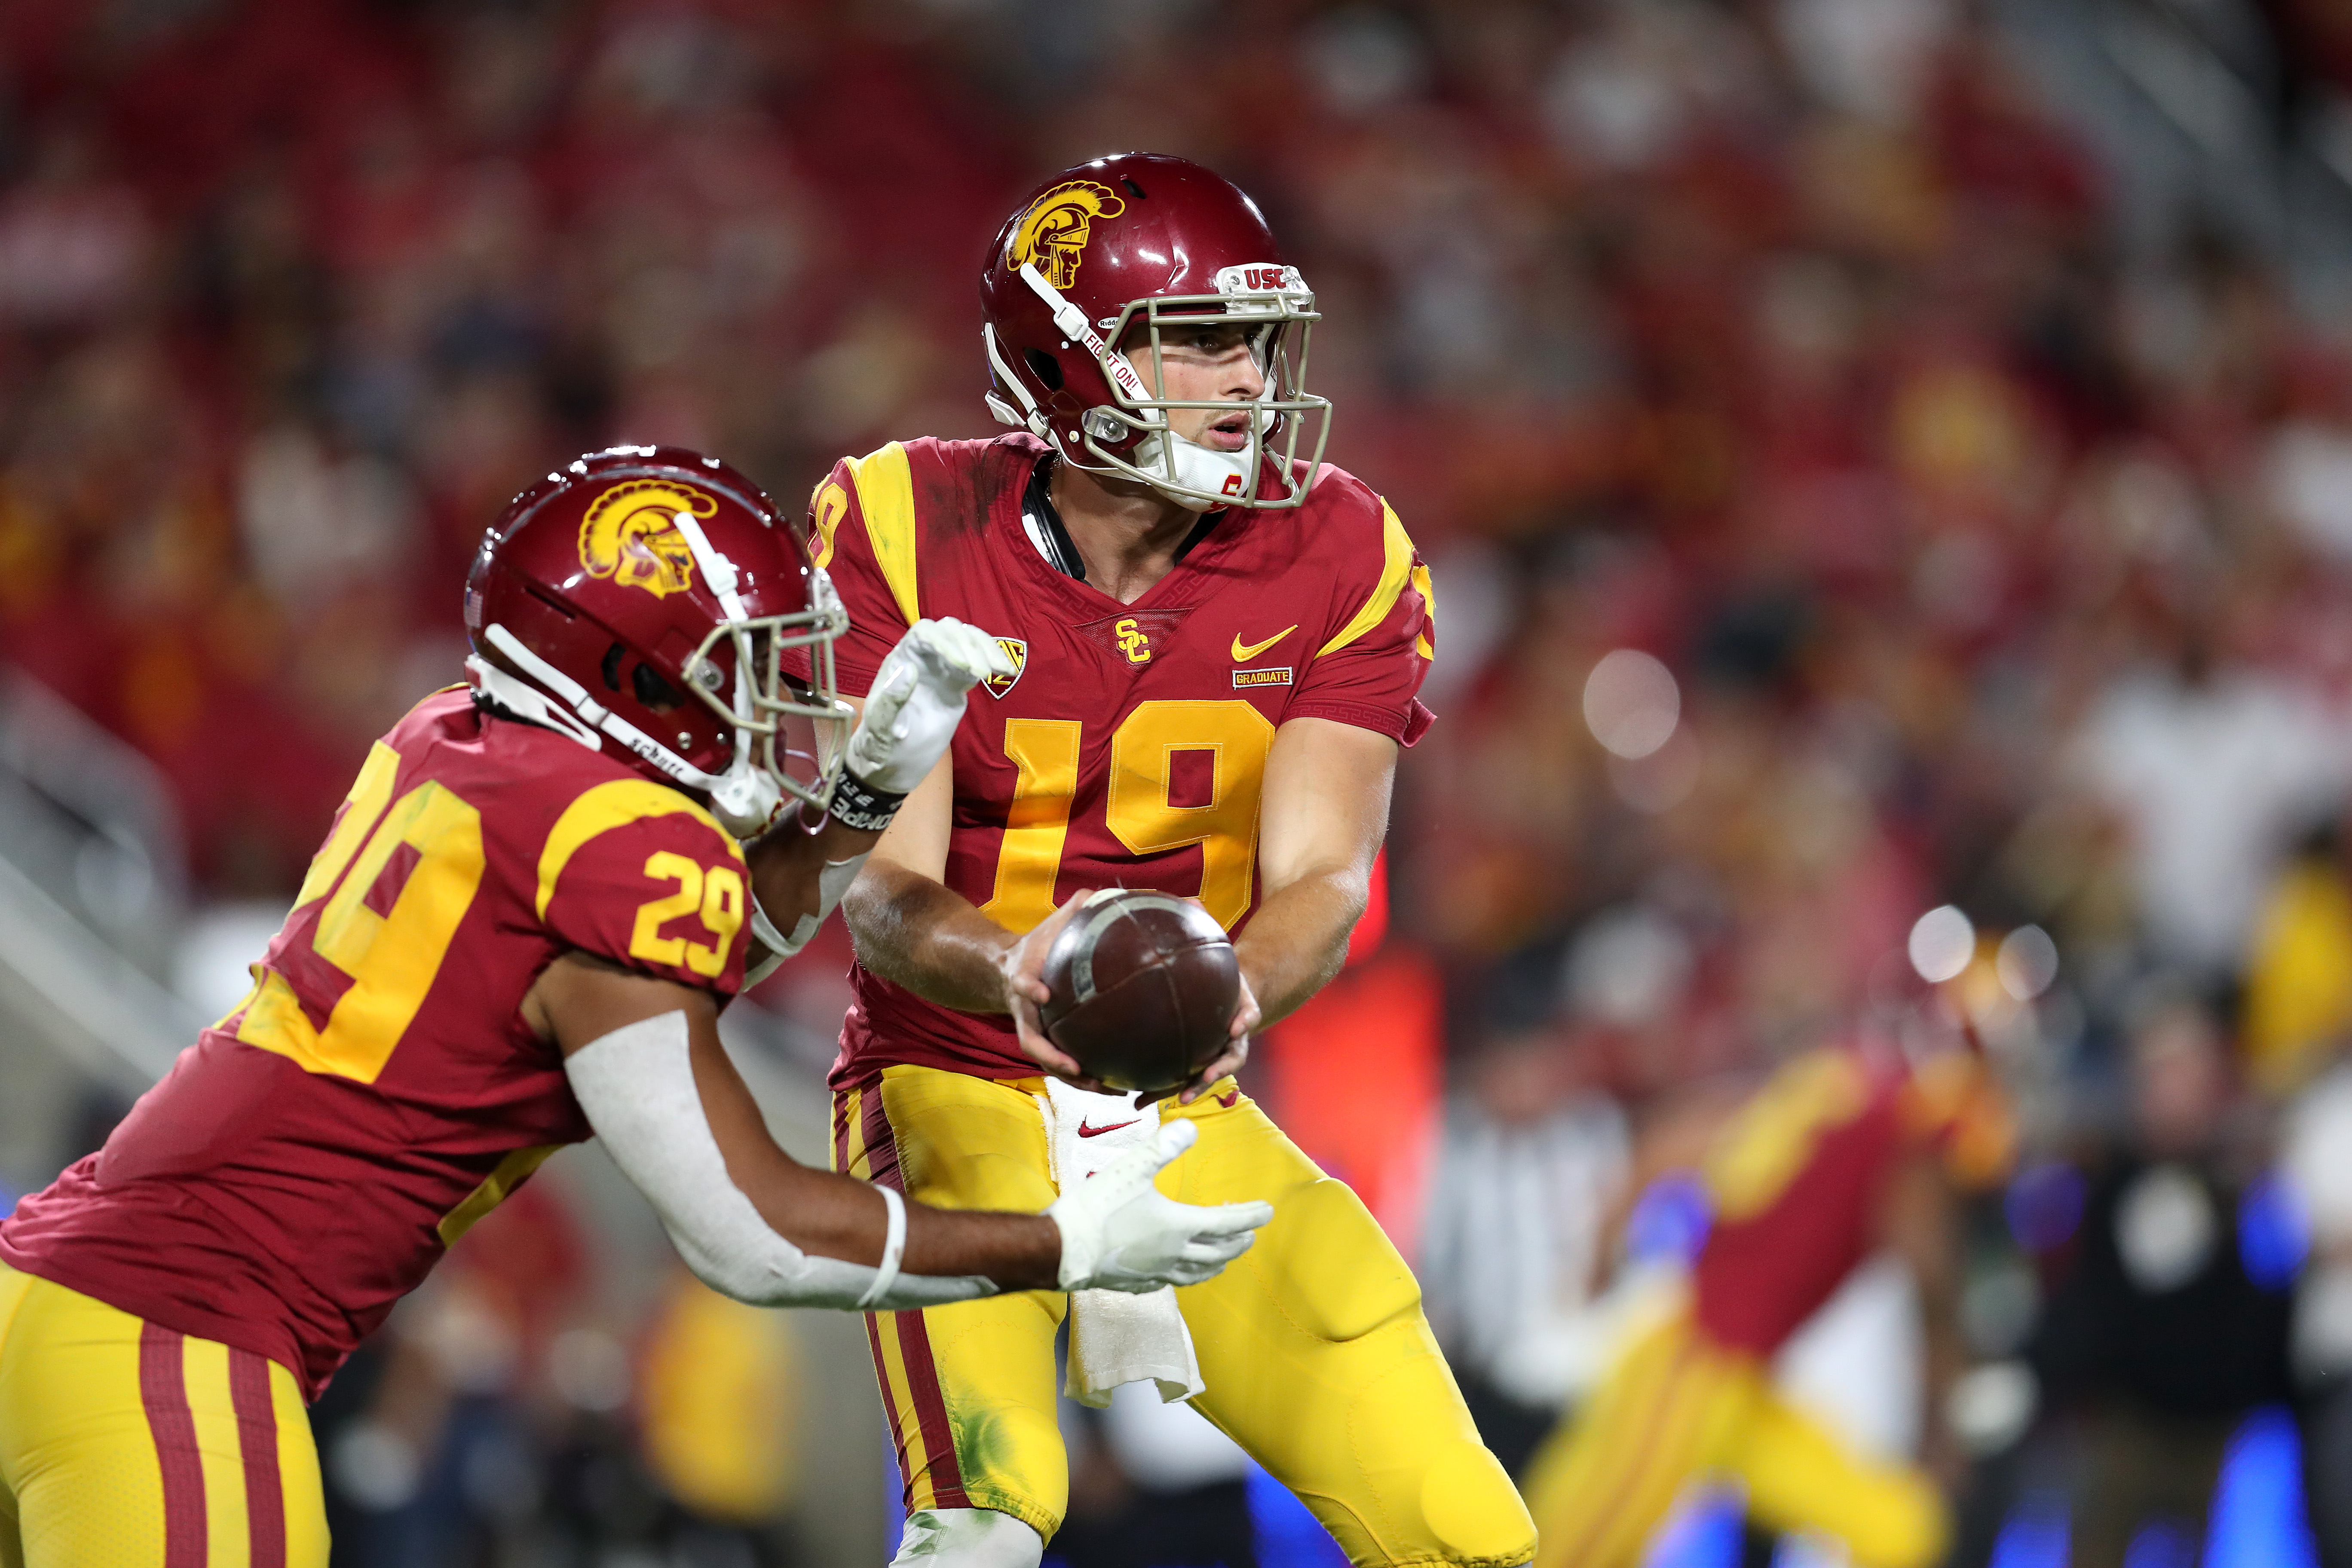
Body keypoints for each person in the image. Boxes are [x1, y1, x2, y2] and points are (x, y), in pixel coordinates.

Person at [0, 446, 1272, 1568]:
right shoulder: (613, 847)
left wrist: (872, 790)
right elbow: (752, 1236)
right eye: (742, 664)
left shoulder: (460, 736)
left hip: (62, 1293)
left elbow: (681, 959)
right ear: (626, 666)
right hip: (172, 1341)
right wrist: (1064, 1243)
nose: (771, 700)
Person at [794, 153, 1534, 1568]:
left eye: (1255, 340)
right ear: (1066, 359)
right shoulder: (905, 521)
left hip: (1181, 1090)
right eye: (1197, 340)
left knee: (1461, 1523)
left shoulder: (1340, 546)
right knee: (991, 1522)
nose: (1247, 379)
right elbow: (882, 889)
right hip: (949, 1081)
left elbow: (1323, 875)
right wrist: (1012, 969)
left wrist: (1221, 990)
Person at [1521, 1034, 2013, 1568]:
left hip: (1732, 1380)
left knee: (1902, 1531)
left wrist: (1604, 1249)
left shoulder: (1836, 1087)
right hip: (1691, 1364)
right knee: (1574, 1545)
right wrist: (1941, 1417)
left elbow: (1682, 1141)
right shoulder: (1904, 1138)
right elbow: (1931, 1276)